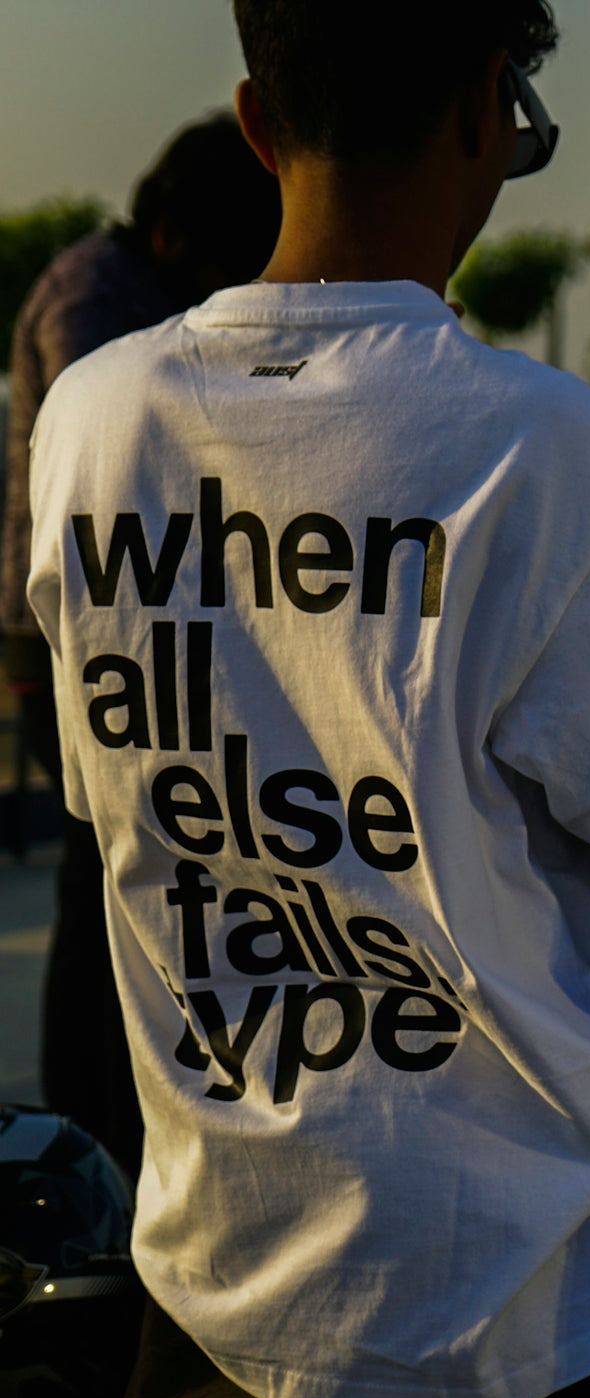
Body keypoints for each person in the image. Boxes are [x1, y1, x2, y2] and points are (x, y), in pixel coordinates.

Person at [27, 5, 590, 1398]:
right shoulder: (543, 450)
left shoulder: (97, 422)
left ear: (257, 120)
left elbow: (129, 804)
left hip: (215, 1307)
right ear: (492, 110)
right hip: (528, 1327)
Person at [2, 113, 281, 1177]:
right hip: (73, 633)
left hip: (115, 623)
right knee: (102, 872)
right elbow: (138, 448)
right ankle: (91, 1123)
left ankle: (123, 1110)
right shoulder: (97, 300)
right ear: (173, 236)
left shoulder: (128, 287)